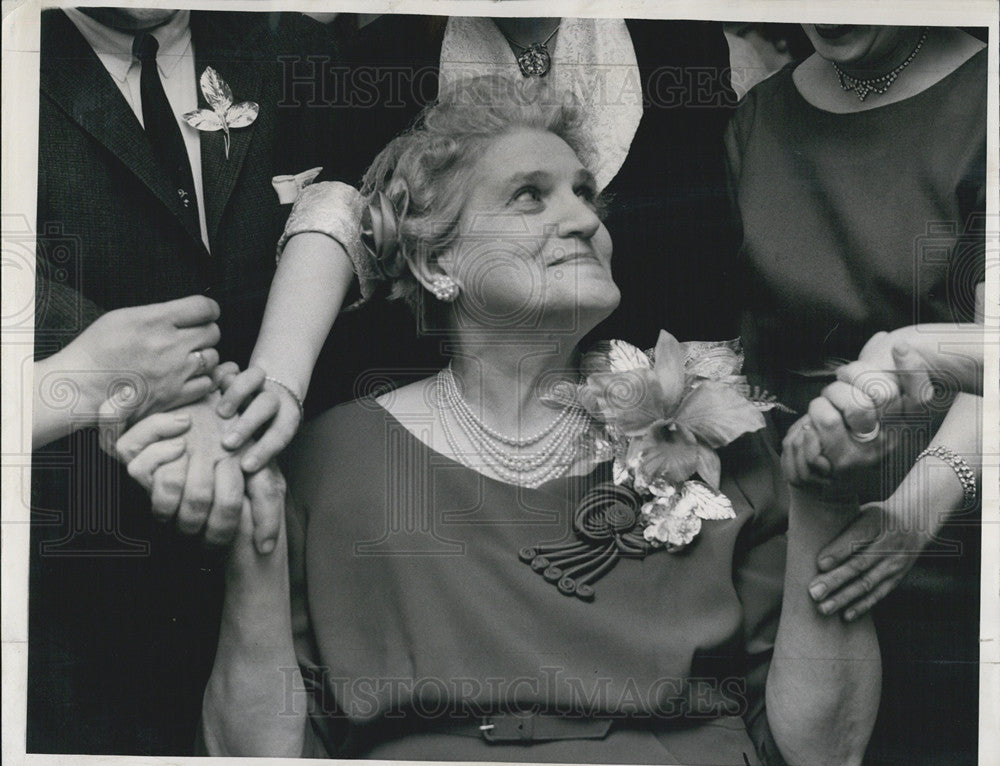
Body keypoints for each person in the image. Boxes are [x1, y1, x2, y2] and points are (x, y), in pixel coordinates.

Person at [154, 76, 880, 765]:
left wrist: (824, 504)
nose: (584, 219)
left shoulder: (724, 432)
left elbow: (826, 752)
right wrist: (254, 548)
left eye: (586, 195)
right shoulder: (332, 461)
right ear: (441, 264)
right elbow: (255, 765)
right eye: (530, 197)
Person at [207, 14, 741, 476]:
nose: (578, 217)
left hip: (650, 425)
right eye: (530, 195)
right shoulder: (385, 56)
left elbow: (701, 256)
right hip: (459, 417)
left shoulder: (676, 40)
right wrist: (277, 381)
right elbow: (341, 213)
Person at [29, 6, 340, 755]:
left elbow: (351, 198)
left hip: (284, 547)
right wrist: (112, 381)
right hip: (67, 579)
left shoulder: (288, 44)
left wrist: (269, 386)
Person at [725, 24, 985, 766]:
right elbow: (749, 351)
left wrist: (915, 514)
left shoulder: (985, 94)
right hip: (797, 529)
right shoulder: (759, 118)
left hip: (949, 524)